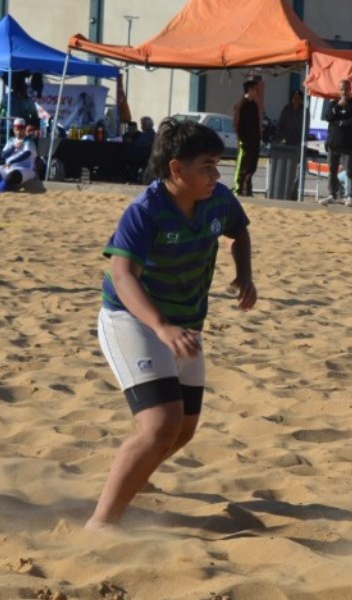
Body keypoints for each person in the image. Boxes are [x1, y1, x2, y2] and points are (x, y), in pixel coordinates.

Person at [86, 118, 257, 530]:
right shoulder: (146, 211)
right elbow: (122, 275)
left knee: (182, 431)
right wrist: (160, 327)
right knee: (160, 426)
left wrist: (245, 274)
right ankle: (99, 526)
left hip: (185, 324)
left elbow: (240, 232)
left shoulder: (218, 200)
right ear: (176, 168)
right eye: (207, 166)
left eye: (218, 164)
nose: (216, 175)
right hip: (133, 319)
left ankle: (134, 477)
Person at [321, 80, 352, 207]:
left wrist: (338, 122)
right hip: (333, 143)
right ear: (339, 91)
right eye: (342, 89)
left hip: (348, 144)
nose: (344, 92)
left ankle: (349, 196)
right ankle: (332, 194)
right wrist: (338, 106)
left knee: (349, 171)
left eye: (346, 89)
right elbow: (328, 117)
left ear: (350, 89)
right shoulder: (334, 103)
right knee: (332, 170)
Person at [0, 117, 38, 193]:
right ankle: (7, 186)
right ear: (14, 129)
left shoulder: (29, 141)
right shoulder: (11, 140)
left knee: (12, 176)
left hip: (24, 169)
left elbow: (27, 154)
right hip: (8, 168)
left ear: (24, 129)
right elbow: (3, 155)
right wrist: (13, 147)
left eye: (21, 129)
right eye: (17, 129)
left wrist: (13, 161)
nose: (19, 131)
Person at [232, 80, 261, 197]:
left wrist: (258, 138)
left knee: (251, 167)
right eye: (254, 89)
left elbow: (256, 124)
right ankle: (237, 188)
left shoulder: (253, 105)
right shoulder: (241, 104)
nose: (256, 91)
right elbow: (237, 124)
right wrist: (241, 139)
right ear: (249, 89)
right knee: (242, 165)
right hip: (244, 141)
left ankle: (247, 189)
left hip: (254, 141)